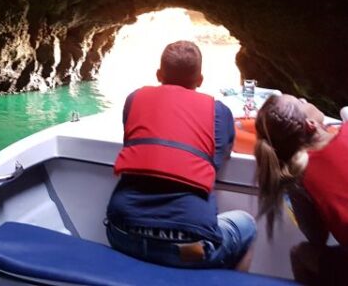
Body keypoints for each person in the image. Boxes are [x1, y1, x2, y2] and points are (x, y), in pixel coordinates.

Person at [105, 40, 256, 269]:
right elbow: (219, 155)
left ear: (158, 74)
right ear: (200, 80)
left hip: (120, 232)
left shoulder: (134, 99)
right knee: (248, 225)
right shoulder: (218, 112)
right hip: (187, 246)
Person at [255, 94, 348, 284]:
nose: (304, 99)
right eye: (301, 102)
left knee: (301, 254)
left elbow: (317, 237)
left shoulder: (298, 177)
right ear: (311, 124)